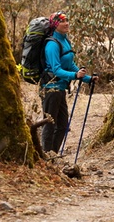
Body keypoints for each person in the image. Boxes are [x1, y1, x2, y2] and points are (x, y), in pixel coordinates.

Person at [40, 10, 98, 154]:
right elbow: (56, 69)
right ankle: (46, 156)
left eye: (67, 21)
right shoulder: (52, 44)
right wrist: (74, 75)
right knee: (49, 124)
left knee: (63, 125)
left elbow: (70, 65)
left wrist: (87, 78)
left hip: (60, 89)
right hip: (50, 88)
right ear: (55, 25)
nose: (66, 24)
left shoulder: (65, 40)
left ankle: (52, 155)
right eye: (62, 21)